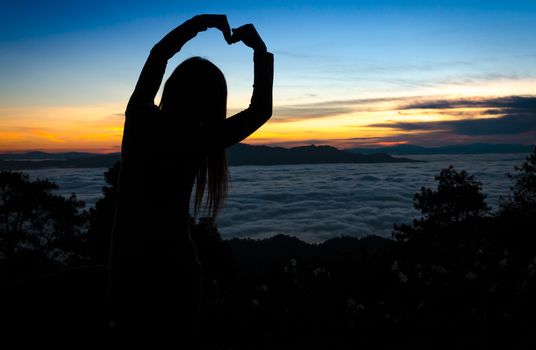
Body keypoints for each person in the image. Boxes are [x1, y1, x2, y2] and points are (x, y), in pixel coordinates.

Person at [108, 14, 273, 340]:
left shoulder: (140, 118)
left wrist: (201, 23)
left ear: (171, 88)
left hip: (125, 269)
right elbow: (260, 111)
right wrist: (259, 50)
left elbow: (159, 54)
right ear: (213, 106)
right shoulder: (200, 139)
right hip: (176, 271)